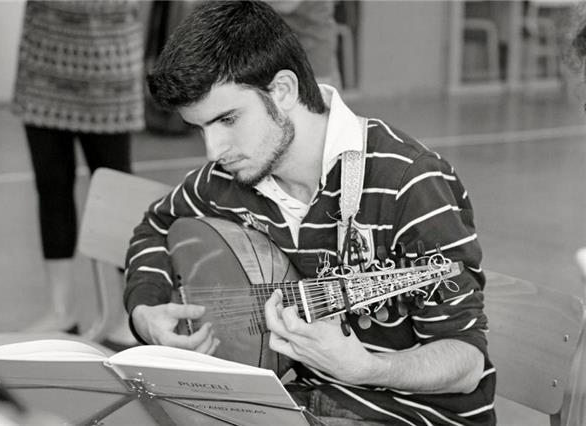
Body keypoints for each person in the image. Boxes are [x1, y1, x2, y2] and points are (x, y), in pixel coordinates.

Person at [124, 2, 495, 424]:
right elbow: (155, 226)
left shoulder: (408, 181)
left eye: (227, 119)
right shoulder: (226, 180)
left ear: (282, 90)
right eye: (201, 128)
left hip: (405, 414)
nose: (214, 151)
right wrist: (145, 312)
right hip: (289, 400)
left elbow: (465, 365)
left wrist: (366, 368)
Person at [12, 1, 144, 346]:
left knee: (119, 192)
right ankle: (61, 311)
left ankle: (133, 314)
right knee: (51, 184)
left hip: (109, 53)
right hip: (46, 53)